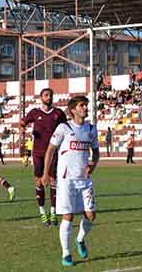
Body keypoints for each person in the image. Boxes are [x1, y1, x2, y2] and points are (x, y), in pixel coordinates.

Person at [44, 95, 100, 267]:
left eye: (86, 105)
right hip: (66, 180)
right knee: (67, 216)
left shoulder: (91, 129)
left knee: (91, 215)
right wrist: (46, 173)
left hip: (84, 180)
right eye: (82, 105)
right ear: (73, 110)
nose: (85, 108)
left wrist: (92, 165)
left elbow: (96, 152)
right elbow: (50, 150)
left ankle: (80, 240)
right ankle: (66, 254)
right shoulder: (64, 127)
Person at [20, 88, 67, 227]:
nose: (49, 97)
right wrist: (22, 128)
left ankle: (53, 212)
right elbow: (23, 122)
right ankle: (42, 213)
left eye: (51, 95)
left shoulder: (58, 113)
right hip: (38, 153)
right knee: (39, 181)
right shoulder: (35, 112)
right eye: (46, 95)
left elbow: (66, 127)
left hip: (53, 152)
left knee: (53, 180)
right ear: (41, 98)